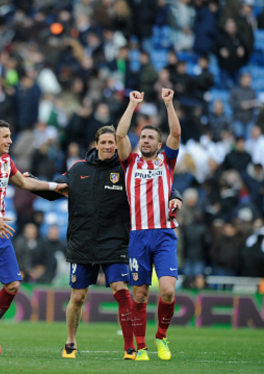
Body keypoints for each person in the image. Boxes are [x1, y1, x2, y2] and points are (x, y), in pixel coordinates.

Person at [38, 126, 182, 360]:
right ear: (96, 144)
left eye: (111, 142)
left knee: (122, 290)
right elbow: (57, 187)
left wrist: (176, 195)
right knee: (77, 297)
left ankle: (130, 347)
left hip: (116, 242)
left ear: (116, 144)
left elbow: (158, 183)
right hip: (83, 242)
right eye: (103, 142)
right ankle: (70, 342)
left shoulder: (125, 166)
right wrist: (30, 182)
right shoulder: (79, 168)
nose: (107, 146)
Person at [0, 118, 66, 356]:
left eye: (10, 136)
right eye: (5, 136)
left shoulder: (6, 161)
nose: (10, 140)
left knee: (14, 284)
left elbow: (24, 182)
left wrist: (55, 187)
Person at [116, 89, 181, 361]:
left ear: (159, 143)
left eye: (150, 137)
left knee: (167, 290)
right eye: (142, 137)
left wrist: (168, 103)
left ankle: (161, 338)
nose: (144, 141)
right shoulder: (129, 162)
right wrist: (132, 105)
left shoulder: (167, 161)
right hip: (138, 236)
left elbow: (176, 133)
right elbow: (120, 135)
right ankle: (140, 347)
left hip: (164, 234)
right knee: (140, 295)